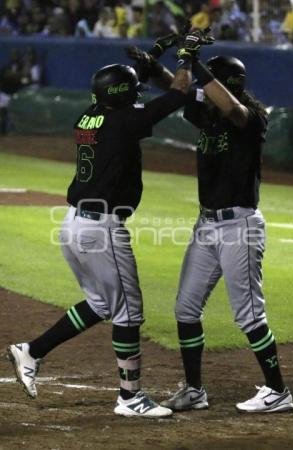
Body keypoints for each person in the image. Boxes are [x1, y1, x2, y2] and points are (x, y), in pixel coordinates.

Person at [6, 31, 208, 418]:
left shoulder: (92, 115)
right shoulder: (123, 123)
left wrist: (155, 54)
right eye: (131, 90)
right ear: (120, 95)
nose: (137, 94)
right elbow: (179, 93)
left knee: (101, 304)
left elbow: (124, 90)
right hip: (102, 229)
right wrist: (186, 56)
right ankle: (130, 397)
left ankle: (31, 351)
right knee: (128, 313)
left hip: (74, 224)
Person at [127, 28, 293, 414]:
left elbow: (228, 105)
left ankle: (277, 391)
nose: (205, 90)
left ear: (227, 85)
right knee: (186, 308)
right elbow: (183, 90)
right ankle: (193, 389)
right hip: (206, 226)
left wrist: (194, 62)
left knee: (249, 313)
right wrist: (155, 68)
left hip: (240, 226)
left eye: (213, 83)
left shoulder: (250, 118)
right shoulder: (208, 118)